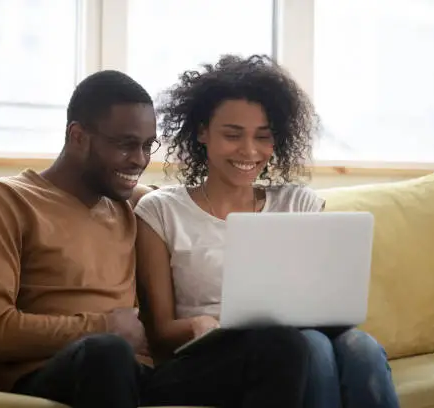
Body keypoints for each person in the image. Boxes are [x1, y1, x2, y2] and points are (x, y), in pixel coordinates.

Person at [0, 69, 310, 408]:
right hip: (54, 371)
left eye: (147, 146)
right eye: (126, 145)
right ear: (78, 136)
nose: (140, 160)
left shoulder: (137, 204)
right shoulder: (7, 199)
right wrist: (103, 326)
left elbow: (193, 214)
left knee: (280, 344)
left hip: (140, 376)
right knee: (106, 351)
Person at [134, 54, 401, 408]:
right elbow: (161, 332)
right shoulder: (161, 212)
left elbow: (322, 300)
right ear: (202, 131)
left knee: (362, 348)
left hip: (296, 340)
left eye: (263, 136)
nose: (249, 150)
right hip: (215, 357)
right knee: (312, 348)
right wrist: (201, 322)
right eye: (232, 135)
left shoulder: (299, 204)